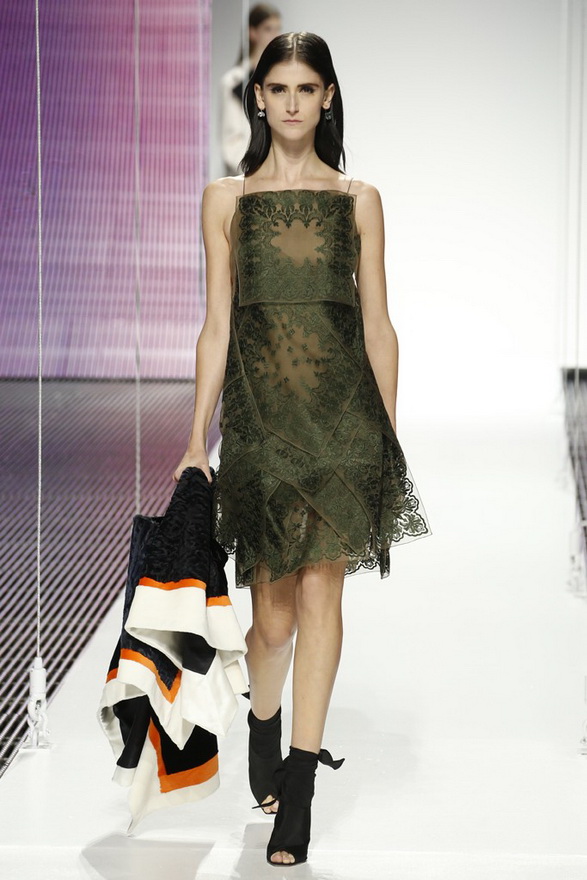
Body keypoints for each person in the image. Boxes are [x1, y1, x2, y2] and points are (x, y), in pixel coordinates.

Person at [174, 31, 430, 867]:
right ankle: (263, 719)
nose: (290, 102)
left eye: (305, 88)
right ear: (258, 98)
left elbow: (378, 325)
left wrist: (385, 438)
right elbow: (216, 327)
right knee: (272, 621)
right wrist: (195, 438)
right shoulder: (224, 200)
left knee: (322, 596)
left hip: (342, 424)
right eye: (277, 87)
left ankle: (301, 783)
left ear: (327, 97)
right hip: (259, 425)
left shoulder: (358, 199)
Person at [219, 3, 282, 175]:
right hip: (247, 176)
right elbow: (231, 141)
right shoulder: (234, 82)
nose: (275, 35)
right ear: (252, 32)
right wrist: (256, 173)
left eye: (278, 29)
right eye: (268, 29)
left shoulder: (282, 79)